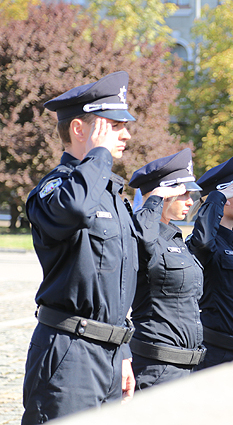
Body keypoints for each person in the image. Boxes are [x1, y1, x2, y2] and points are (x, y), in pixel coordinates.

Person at [23, 71, 138, 424]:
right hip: (69, 353)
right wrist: (98, 155)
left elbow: (115, 285)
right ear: (79, 129)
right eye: (114, 126)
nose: (127, 135)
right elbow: (72, 209)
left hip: (110, 354)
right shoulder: (55, 189)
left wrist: (123, 353)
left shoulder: (112, 196)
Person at [128, 149, 207, 389]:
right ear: (165, 195)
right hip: (157, 366)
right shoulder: (144, 231)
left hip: (186, 364)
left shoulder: (174, 236)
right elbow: (142, 240)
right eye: (183, 195)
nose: (190, 202)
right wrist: (154, 199)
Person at [187, 152, 233, 369]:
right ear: (222, 200)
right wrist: (216, 199)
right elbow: (203, 243)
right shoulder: (205, 243)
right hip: (218, 357)